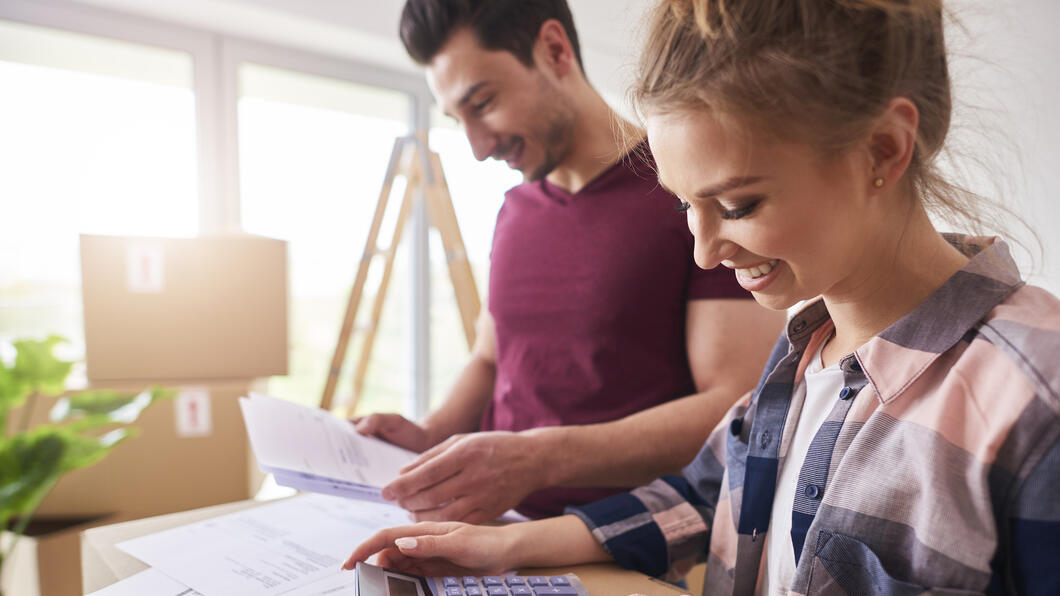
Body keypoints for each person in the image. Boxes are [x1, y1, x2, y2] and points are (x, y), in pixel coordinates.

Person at [343, 0, 1060, 594]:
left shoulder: (1037, 403)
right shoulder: (801, 352)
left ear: (882, 150)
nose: (704, 251)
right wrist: (502, 548)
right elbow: (703, 496)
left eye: (739, 204)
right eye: (686, 206)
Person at [352, 0, 785, 524]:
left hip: (625, 539)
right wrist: (429, 433)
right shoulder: (514, 209)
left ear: (554, 49)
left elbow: (734, 406)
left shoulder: (688, 194)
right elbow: (491, 359)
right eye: (458, 119)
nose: (478, 147)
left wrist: (538, 460)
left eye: (483, 103)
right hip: (490, 529)